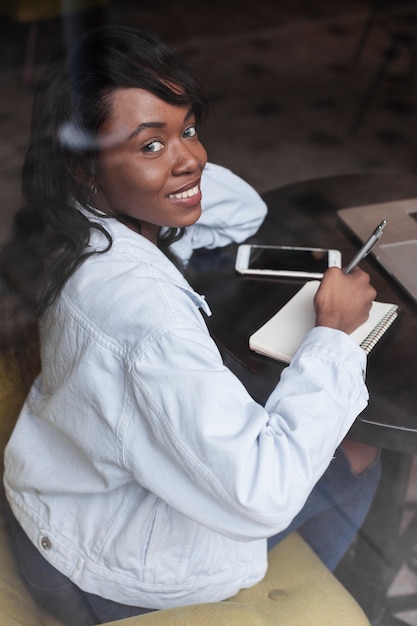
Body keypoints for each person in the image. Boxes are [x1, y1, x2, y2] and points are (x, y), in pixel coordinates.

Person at [1, 25, 380, 626]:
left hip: (56, 519)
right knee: (362, 453)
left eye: (191, 129)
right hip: (105, 578)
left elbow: (241, 214)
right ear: (84, 167)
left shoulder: (77, 221)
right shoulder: (148, 318)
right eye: (149, 146)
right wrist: (333, 336)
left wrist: (167, 159)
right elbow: (263, 494)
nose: (193, 159)